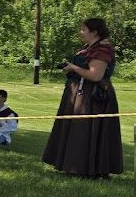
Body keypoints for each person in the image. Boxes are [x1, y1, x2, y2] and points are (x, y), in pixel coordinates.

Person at [42, 18, 123, 178]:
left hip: (92, 97)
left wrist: (73, 68)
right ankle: (73, 166)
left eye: (83, 29)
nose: (80, 32)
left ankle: (88, 169)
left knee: (85, 129)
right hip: (79, 93)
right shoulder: (89, 48)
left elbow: (95, 75)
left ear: (94, 32)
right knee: (76, 129)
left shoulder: (102, 50)